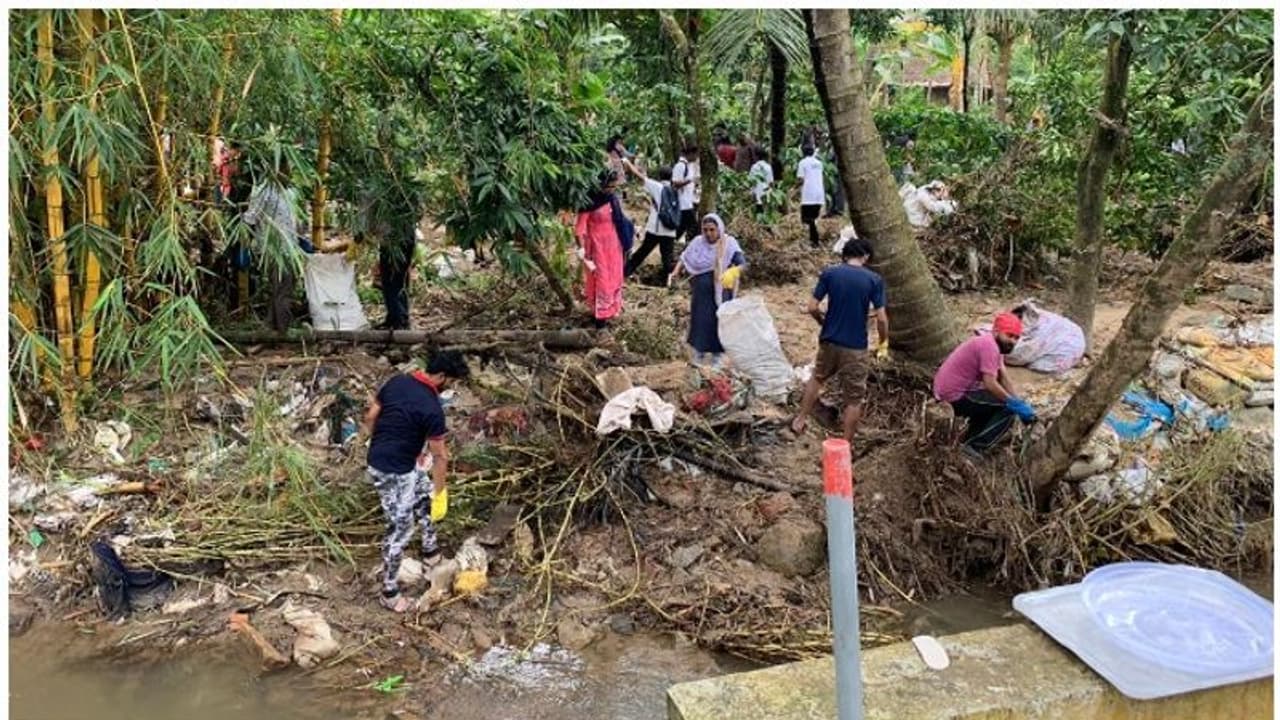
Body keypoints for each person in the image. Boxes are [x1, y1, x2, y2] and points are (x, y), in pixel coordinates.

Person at [363, 350, 470, 613]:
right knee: (400, 529)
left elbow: (370, 417)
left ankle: (431, 554)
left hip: (382, 459)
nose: (452, 389)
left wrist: (384, 441)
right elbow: (440, 456)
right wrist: (441, 492)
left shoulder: (397, 381)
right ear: (442, 377)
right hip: (394, 471)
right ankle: (389, 592)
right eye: (453, 383)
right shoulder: (432, 409)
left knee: (422, 493)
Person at [792, 238, 888, 446]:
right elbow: (881, 318)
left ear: (845, 255)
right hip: (855, 347)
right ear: (866, 257)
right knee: (854, 398)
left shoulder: (830, 273)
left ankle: (799, 420)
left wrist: (822, 323)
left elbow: (811, 307)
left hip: (829, 340)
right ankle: (845, 443)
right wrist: (883, 342)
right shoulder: (874, 280)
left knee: (817, 378)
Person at [932, 313, 1038, 457]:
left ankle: (969, 441)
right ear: (996, 331)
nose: (1012, 341)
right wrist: (1013, 405)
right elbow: (990, 383)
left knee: (994, 404)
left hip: (952, 389)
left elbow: (1004, 378)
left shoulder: (994, 346)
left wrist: (1018, 401)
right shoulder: (989, 347)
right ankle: (975, 447)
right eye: (1009, 335)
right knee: (1006, 409)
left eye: (1016, 338)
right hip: (953, 394)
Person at [668, 213, 746, 368]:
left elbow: (742, 264)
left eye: (712, 230)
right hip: (701, 291)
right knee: (700, 321)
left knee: (718, 321)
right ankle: (699, 353)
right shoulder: (698, 242)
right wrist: (675, 272)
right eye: (706, 230)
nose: (709, 234)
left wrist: (732, 272)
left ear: (719, 228)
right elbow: (685, 257)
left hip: (721, 291)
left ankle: (718, 355)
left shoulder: (729, 244)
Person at [242, 156, 301, 332]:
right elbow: (250, 218)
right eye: (285, 168)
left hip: (290, 248)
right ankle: (282, 331)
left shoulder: (290, 193)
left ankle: (271, 327)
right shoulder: (263, 192)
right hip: (273, 248)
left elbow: (295, 222)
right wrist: (245, 245)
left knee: (282, 289)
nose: (288, 173)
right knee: (282, 290)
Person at [575, 169, 627, 328]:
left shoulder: (612, 199)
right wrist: (581, 249)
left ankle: (609, 311)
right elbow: (579, 228)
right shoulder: (589, 201)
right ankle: (600, 319)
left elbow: (620, 220)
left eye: (613, 186)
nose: (611, 190)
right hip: (597, 247)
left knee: (613, 278)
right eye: (608, 186)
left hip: (613, 246)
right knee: (601, 280)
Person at [621, 158, 679, 279]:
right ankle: (669, 281)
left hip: (656, 229)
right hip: (670, 230)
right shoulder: (675, 190)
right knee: (667, 259)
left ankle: (624, 273)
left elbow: (639, 176)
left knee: (641, 253)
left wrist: (627, 162)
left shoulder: (657, 187)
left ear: (659, 176)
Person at [795, 144, 825, 247]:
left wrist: (794, 188)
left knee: (807, 219)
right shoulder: (819, 163)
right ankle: (814, 239)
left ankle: (814, 240)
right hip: (819, 193)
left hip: (808, 194)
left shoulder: (802, 163)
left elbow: (800, 179)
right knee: (814, 218)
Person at [672, 141, 700, 245]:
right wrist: (690, 180)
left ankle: (670, 243)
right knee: (692, 226)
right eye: (696, 154)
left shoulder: (688, 166)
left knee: (683, 227)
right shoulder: (681, 166)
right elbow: (675, 183)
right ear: (690, 154)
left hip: (687, 203)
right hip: (682, 203)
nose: (697, 157)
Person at [748, 146, 774, 217]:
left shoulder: (753, 167)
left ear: (756, 156)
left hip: (757, 194)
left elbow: (750, 182)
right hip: (766, 195)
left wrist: (751, 193)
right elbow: (771, 182)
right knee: (767, 215)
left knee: (758, 215)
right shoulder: (768, 167)